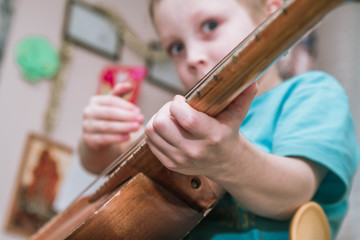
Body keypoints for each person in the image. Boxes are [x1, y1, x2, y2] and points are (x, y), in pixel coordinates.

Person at [78, 0, 359, 239]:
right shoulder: (187, 121)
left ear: (272, 13)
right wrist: (96, 141)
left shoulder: (311, 93)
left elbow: (298, 192)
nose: (192, 57)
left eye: (210, 25)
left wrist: (228, 161)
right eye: (177, 47)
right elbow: (107, 162)